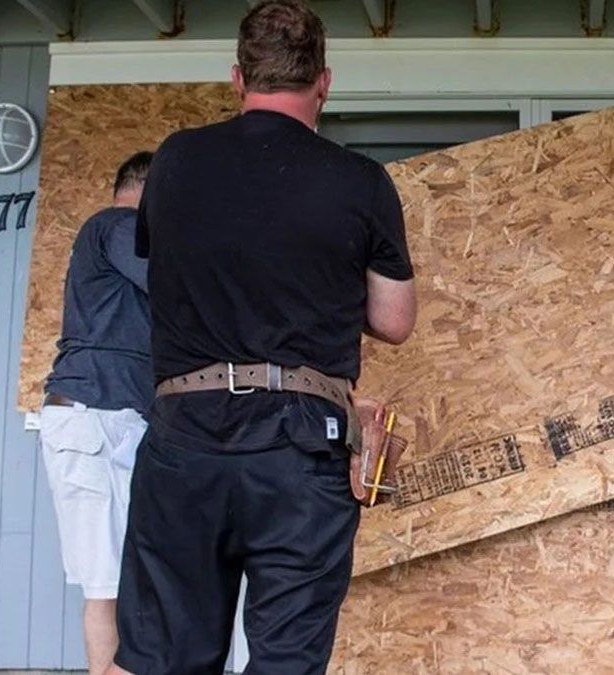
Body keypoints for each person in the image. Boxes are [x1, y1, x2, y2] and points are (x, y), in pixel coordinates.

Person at [109, 1, 416, 673]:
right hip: (299, 447)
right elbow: (394, 319)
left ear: (237, 78)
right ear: (324, 82)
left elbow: (174, 271)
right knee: (284, 660)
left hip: (185, 438)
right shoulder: (360, 180)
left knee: (165, 658)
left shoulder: (177, 161)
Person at [40, 150, 154, 675]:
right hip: (97, 419)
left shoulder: (120, 238)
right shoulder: (117, 224)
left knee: (120, 585)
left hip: (109, 420)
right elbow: (173, 283)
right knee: (109, 588)